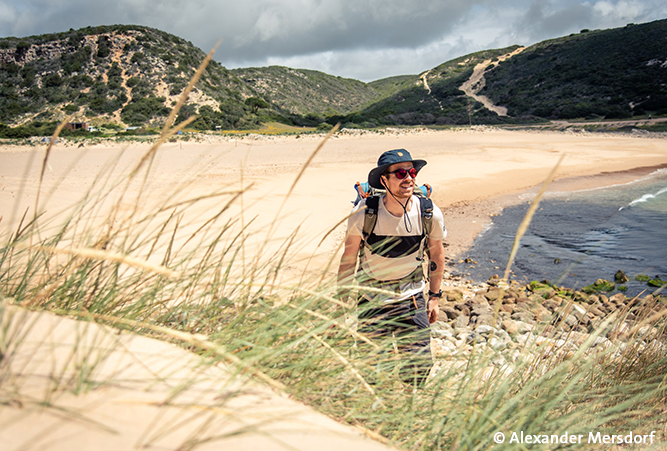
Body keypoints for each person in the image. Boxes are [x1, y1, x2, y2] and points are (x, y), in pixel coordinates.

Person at [337, 149, 446, 386]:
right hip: (372, 298)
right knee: (372, 368)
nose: (408, 177)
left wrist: (435, 297)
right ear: (384, 180)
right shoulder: (364, 213)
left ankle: (407, 409)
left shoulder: (429, 213)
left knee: (419, 365)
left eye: (412, 172)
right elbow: (349, 258)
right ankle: (375, 413)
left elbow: (436, 252)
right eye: (400, 173)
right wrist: (341, 300)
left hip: (412, 298)